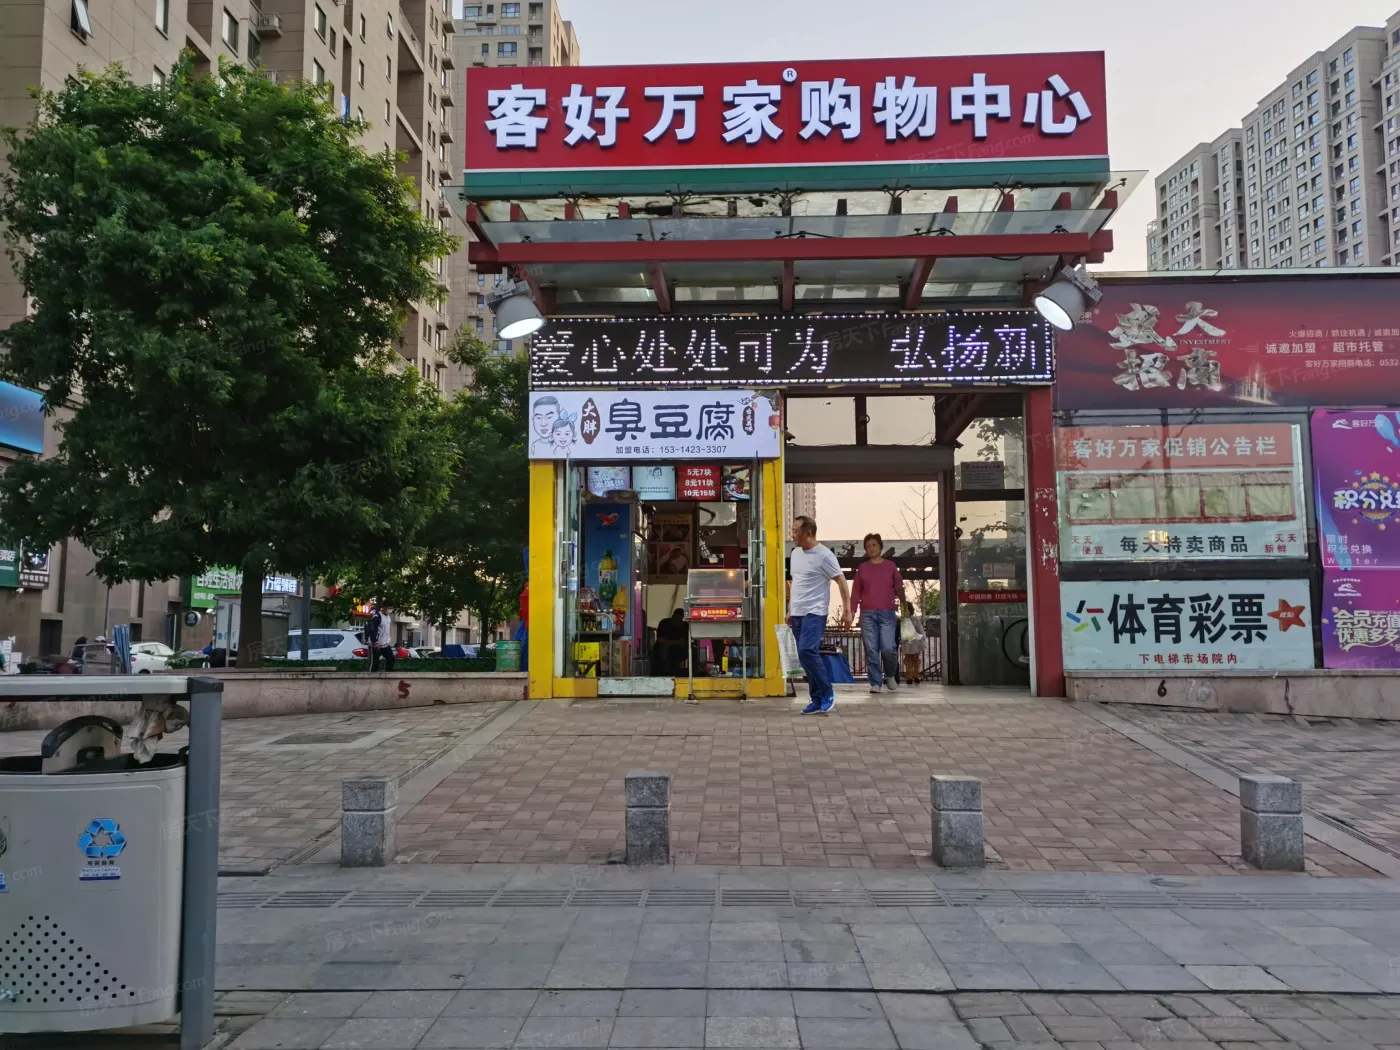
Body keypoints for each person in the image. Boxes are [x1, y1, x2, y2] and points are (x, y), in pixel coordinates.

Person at [789, 515, 850, 715]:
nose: (792, 535)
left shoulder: (825, 555)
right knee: (804, 657)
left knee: (807, 650)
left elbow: (841, 581)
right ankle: (816, 699)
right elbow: (797, 583)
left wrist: (847, 610)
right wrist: (790, 610)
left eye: (796, 531)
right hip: (797, 613)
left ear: (808, 532)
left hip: (815, 612)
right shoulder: (795, 554)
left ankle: (827, 692)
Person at [850, 533, 903, 694]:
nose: (871, 548)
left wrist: (905, 605)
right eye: (868, 546)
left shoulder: (890, 566)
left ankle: (891, 674)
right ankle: (875, 682)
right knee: (871, 650)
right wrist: (852, 611)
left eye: (874, 545)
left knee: (888, 648)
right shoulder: (862, 568)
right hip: (867, 615)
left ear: (880, 547)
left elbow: (899, 586)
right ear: (865, 550)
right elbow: (856, 591)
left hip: (887, 614)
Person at [653, 608, 688, 675]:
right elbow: (661, 641)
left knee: (693, 650)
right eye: (677, 619)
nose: (679, 622)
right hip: (664, 650)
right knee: (664, 648)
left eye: (681, 620)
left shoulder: (685, 626)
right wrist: (677, 642)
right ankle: (664, 673)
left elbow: (686, 641)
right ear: (673, 617)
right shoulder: (664, 623)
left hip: (679, 650)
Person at [901, 600, 926, 685]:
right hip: (916, 643)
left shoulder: (904, 620)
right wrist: (922, 639)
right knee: (916, 660)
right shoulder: (915, 619)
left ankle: (909, 677)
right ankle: (916, 676)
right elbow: (921, 630)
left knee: (908, 660)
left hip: (907, 643)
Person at [367, 604, 395, 672]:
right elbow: (372, 630)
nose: (390, 610)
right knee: (375, 663)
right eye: (389, 608)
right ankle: (372, 676)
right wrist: (375, 642)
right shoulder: (377, 617)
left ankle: (388, 674)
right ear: (384, 607)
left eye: (392, 608)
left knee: (391, 659)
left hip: (385, 644)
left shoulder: (388, 617)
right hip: (376, 645)